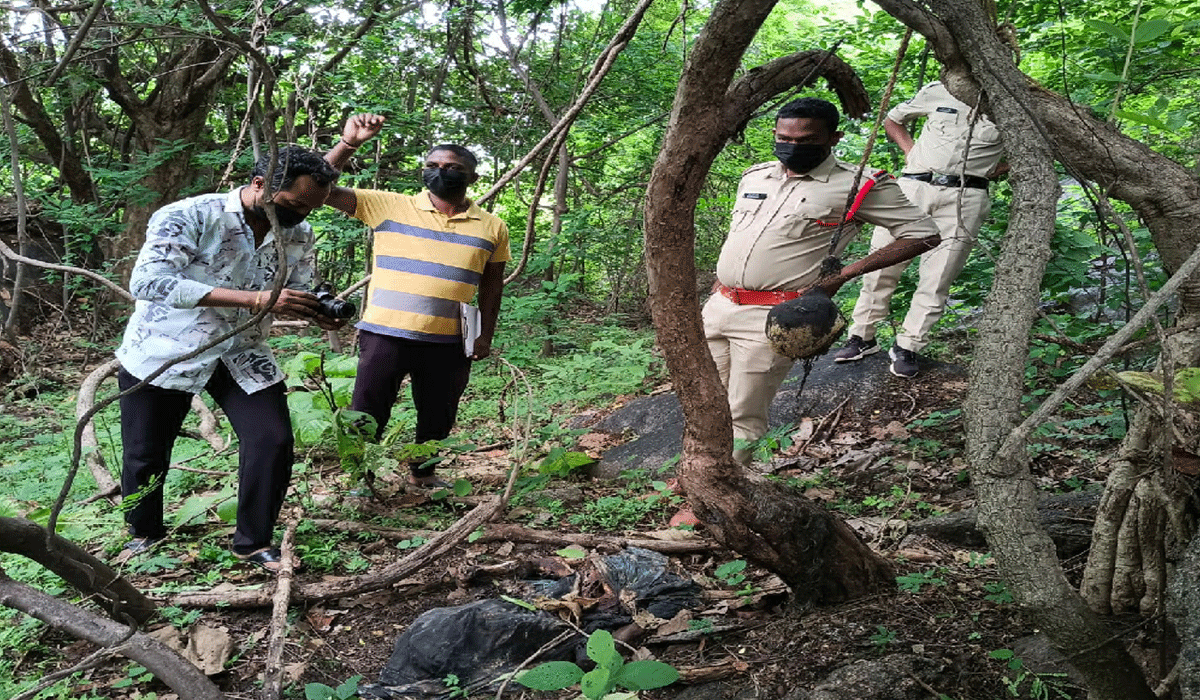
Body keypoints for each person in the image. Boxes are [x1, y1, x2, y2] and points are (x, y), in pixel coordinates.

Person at [115, 145, 344, 572]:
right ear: (260, 185)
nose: (303, 215)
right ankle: (143, 535)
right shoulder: (190, 215)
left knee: (271, 440)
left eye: (312, 207)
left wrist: (316, 311)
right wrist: (253, 298)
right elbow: (147, 282)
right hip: (168, 348)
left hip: (243, 350)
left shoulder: (299, 231)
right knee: (145, 452)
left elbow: (298, 284)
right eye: (295, 204)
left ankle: (253, 542)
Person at [704, 97, 941, 466]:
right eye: (785, 138)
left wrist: (843, 275)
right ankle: (698, 473)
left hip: (774, 315)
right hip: (718, 305)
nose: (792, 147)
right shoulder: (755, 176)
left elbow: (923, 233)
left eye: (806, 140)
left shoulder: (858, 184)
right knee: (702, 400)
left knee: (742, 413)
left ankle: (720, 490)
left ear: (834, 138)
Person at [324, 114, 510, 489]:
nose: (441, 172)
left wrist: (484, 335)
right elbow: (315, 188)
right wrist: (349, 144)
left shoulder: (492, 226)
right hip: (385, 334)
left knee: (438, 413)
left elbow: (492, 287)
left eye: (453, 167)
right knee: (367, 411)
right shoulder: (386, 205)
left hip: (450, 340)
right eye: (433, 165)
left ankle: (424, 474)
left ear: (472, 177)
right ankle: (361, 478)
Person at [833, 80, 1006, 378]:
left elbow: (1033, 152)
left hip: (966, 196)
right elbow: (893, 119)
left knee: (939, 275)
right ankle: (862, 336)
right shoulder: (942, 89)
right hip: (914, 188)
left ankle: (908, 345)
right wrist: (911, 152)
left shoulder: (1012, 103)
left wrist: (992, 170)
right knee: (881, 264)